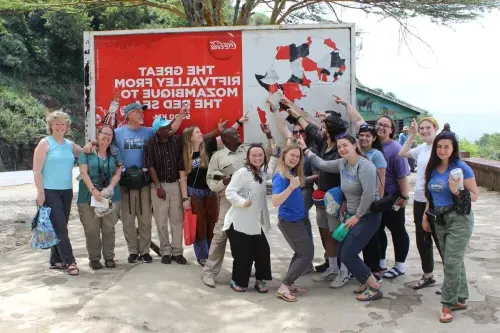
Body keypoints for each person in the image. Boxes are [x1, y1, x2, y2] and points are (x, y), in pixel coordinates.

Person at [286, 94, 364, 287]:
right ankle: (333, 268)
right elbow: (307, 125)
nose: (319, 129)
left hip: (337, 200)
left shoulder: (341, 150)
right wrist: (294, 113)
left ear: (330, 131)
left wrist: (306, 150)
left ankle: (345, 271)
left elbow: (325, 165)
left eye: (323, 127)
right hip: (322, 198)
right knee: (326, 234)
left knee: (338, 235)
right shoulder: (323, 142)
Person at [300, 134, 383, 301]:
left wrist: (357, 216)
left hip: (367, 216)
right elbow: (321, 164)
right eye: (339, 147)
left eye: (345, 145)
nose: (342, 149)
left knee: (348, 255)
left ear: (355, 145)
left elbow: (368, 195)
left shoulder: (365, 165)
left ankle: (374, 287)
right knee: (343, 250)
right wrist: (304, 147)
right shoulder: (343, 163)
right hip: (352, 215)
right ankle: (366, 281)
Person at [114, 102, 185, 264]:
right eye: (138, 112)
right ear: (128, 114)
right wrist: (91, 144)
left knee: (145, 218)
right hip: (125, 183)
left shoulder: (148, 132)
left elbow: (169, 130)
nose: (141, 114)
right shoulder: (117, 133)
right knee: (128, 220)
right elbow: (103, 142)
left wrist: (180, 116)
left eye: (142, 112)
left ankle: (145, 251)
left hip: (145, 182)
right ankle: (133, 250)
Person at [423, 131, 478, 323]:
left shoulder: (461, 168)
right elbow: (429, 195)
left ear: (453, 148)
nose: (442, 150)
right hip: (438, 218)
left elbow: (474, 196)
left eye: (446, 146)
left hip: (459, 220)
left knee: (452, 262)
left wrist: (456, 190)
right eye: (439, 146)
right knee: (451, 260)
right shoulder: (432, 168)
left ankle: (447, 304)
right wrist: (425, 216)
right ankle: (460, 298)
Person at [179, 117, 247, 266]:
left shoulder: (208, 146)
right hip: (194, 192)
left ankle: (211, 253)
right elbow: (183, 179)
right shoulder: (184, 154)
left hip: (210, 190)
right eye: (197, 132)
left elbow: (225, 137)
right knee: (200, 225)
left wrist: (239, 122)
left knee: (212, 223)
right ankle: (202, 255)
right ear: (190, 137)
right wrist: (185, 199)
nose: (200, 134)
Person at [33, 110, 92, 276]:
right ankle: (70, 261)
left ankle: (55, 260)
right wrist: (40, 192)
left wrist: (94, 143)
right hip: (49, 191)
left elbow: (84, 152)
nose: (60, 127)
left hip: (66, 191)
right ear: (51, 126)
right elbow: (36, 171)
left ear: (67, 127)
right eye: (56, 123)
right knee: (61, 228)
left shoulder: (69, 144)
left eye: (63, 124)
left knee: (60, 226)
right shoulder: (45, 143)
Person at [201, 127, 251, 287]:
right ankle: (209, 272)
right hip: (228, 200)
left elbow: (267, 157)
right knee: (220, 234)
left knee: (250, 235)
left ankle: (248, 269)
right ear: (226, 139)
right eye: (235, 134)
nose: (239, 135)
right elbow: (210, 180)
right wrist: (223, 182)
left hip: (250, 200)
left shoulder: (248, 150)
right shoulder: (218, 157)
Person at [223, 144, 275, 292]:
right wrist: (242, 202)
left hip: (255, 223)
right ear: (248, 157)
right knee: (243, 255)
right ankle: (237, 281)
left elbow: (274, 167)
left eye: (260, 155)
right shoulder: (242, 173)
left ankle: (260, 280)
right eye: (254, 155)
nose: (257, 158)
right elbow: (230, 192)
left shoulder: (263, 172)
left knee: (263, 252)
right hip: (238, 222)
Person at [399, 117, 443, 290]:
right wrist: (413, 134)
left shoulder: (440, 149)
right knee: (422, 239)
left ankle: (452, 280)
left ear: (436, 128)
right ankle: (428, 275)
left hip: (436, 201)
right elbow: (403, 153)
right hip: (419, 199)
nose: (424, 131)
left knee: (440, 240)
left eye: (428, 128)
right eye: (422, 128)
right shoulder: (422, 149)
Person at [144, 116, 189, 265]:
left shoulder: (176, 141)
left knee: (177, 220)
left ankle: (177, 251)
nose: (169, 128)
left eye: (169, 125)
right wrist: (158, 187)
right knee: (161, 220)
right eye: (165, 127)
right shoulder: (150, 144)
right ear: (158, 130)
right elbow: (150, 166)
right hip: (158, 186)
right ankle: (165, 252)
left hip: (175, 184)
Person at [77, 125, 122, 269]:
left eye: (110, 135)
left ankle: (109, 257)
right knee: (92, 229)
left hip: (109, 196)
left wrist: (109, 189)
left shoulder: (115, 153)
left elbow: (118, 173)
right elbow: (83, 173)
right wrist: (93, 190)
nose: (107, 137)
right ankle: (94, 258)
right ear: (98, 134)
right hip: (88, 196)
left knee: (109, 228)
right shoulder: (87, 152)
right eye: (104, 134)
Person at [272, 143, 312, 302]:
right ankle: (284, 287)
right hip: (290, 221)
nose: (295, 158)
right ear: (284, 156)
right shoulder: (281, 176)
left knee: (300, 253)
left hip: (298, 219)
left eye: (297, 156)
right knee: (306, 254)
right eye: (292, 155)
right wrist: (291, 187)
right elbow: (275, 201)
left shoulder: (291, 172)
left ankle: (289, 283)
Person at [375, 116, 410, 279]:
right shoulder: (372, 146)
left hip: (393, 197)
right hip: (376, 198)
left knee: (397, 230)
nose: (381, 127)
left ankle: (399, 265)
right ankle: (381, 262)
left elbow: (402, 176)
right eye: (379, 124)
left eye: (385, 126)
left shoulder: (395, 149)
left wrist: (404, 197)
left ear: (391, 130)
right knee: (378, 230)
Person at [357, 123, 386, 281]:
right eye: (361, 135)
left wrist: (378, 203)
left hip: (372, 200)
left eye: (368, 136)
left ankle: (374, 270)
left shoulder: (376, 155)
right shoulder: (355, 152)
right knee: (361, 236)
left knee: (372, 237)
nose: (364, 138)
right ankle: (365, 269)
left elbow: (381, 179)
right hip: (357, 199)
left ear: (374, 138)